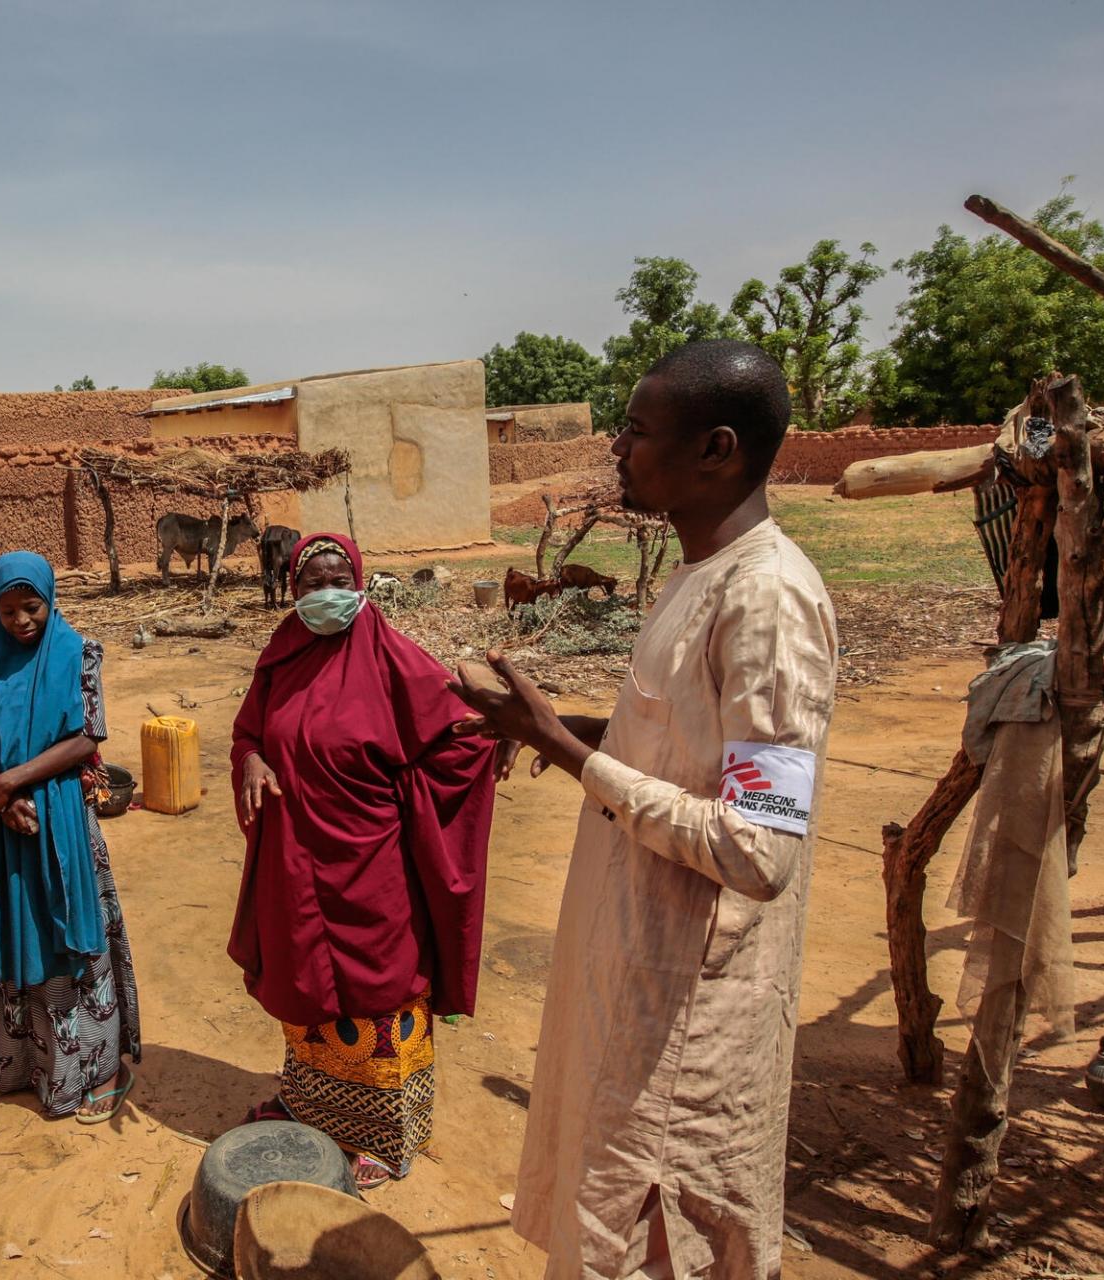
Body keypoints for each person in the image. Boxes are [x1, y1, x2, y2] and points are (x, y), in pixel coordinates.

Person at [453, 339, 836, 1278]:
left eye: (634, 430)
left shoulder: (768, 600)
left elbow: (757, 849)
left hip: (686, 1026)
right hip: (636, 984)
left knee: (659, 1239)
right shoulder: (699, 575)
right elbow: (690, 748)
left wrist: (570, 753)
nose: (617, 449)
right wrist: (570, 723)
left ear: (717, 449)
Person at [229, 531, 498, 1190]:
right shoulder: (280, 656)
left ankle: (383, 1134)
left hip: (373, 864)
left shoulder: (392, 657)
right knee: (307, 988)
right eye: (312, 583)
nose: (326, 594)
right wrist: (254, 761)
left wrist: (495, 737)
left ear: (359, 583)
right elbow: (249, 733)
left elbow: (456, 734)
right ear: (292, 590)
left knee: (381, 988)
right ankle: (309, 1108)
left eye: (337, 580)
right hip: (295, 863)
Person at [0, 551, 142, 1120]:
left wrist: (11, 782)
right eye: (8, 610)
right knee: (8, 931)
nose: (21, 621)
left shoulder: (76, 652)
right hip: (1, 822)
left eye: (31, 607)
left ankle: (100, 1068)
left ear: (50, 601)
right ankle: (19, 1065)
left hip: (58, 818)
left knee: (66, 933)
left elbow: (88, 738)